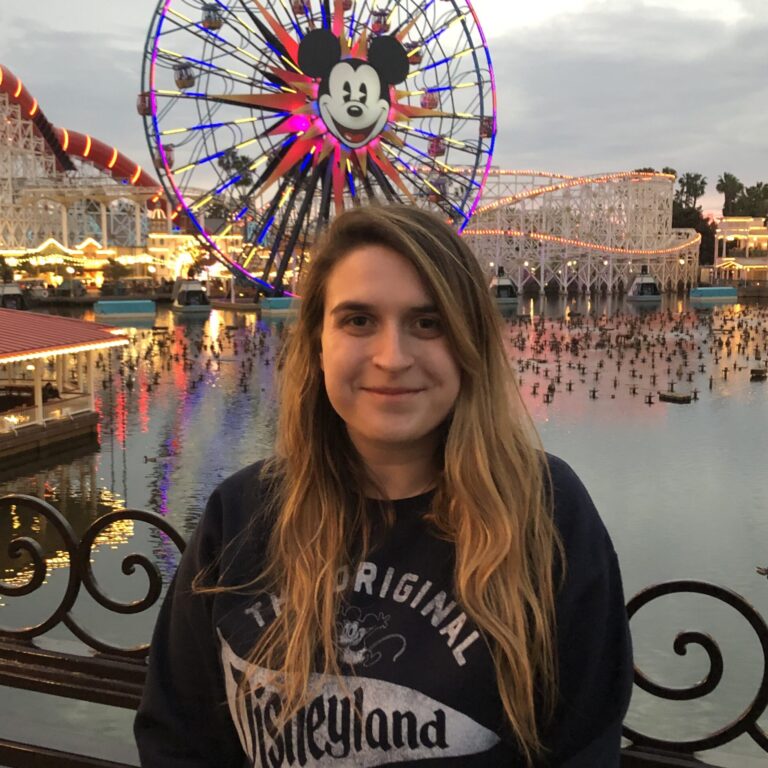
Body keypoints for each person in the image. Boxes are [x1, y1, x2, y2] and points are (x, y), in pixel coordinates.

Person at [134, 204, 633, 767]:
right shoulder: (240, 514)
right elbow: (179, 739)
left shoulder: (547, 510)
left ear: (470, 343)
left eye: (428, 322)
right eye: (358, 320)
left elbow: (583, 745)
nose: (392, 358)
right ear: (318, 342)